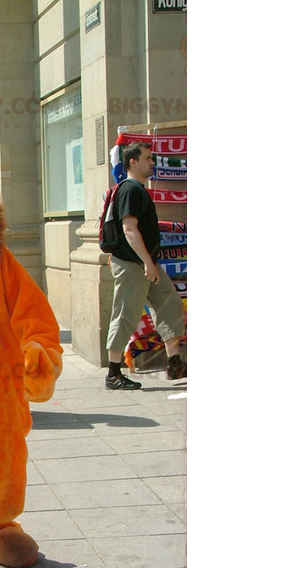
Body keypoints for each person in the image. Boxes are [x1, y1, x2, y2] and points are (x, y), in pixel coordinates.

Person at [104, 141, 187, 389]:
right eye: (148, 158)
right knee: (126, 314)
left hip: (145, 263)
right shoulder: (131, 190)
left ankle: (174, 363)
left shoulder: (138, 189)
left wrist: (150, 263)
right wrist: (147, 263)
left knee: (169, 302)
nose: (152, 163)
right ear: (133, 162)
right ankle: (113, 373)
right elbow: (129, 230)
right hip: (134, 264)